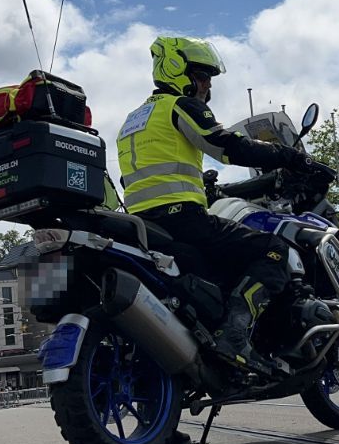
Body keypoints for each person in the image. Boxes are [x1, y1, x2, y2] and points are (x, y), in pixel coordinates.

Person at [116, 35, 315, 374]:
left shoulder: (132, 122)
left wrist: (206, 188)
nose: (207, 85)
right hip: (184, 219)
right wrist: (291, 157)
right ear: (177, 71)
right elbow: (228, 146)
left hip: (144, 225)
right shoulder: (179, 105)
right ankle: (235, 335)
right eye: (202, 76)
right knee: (273, 250)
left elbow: (146, 177)